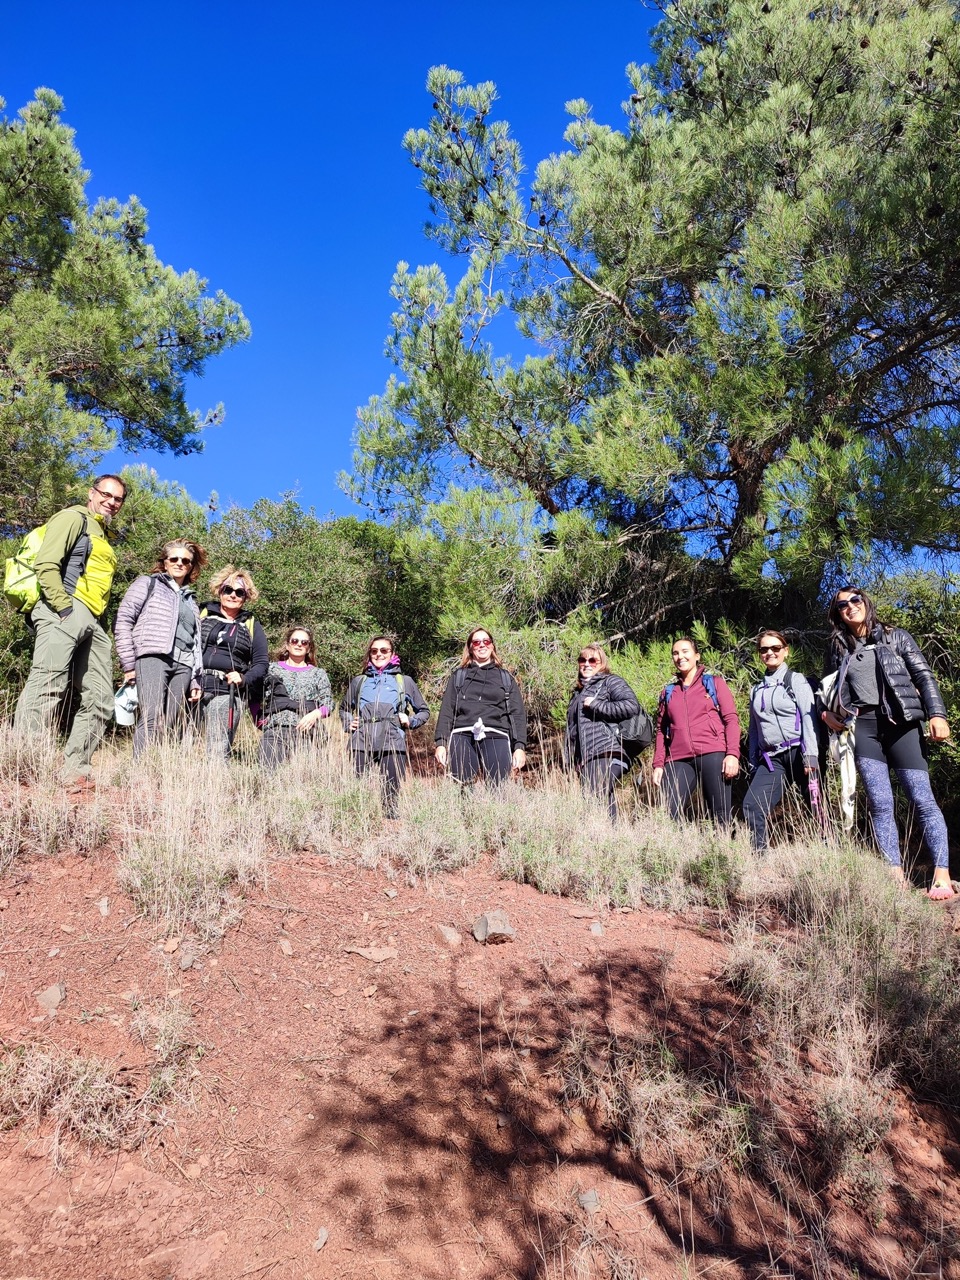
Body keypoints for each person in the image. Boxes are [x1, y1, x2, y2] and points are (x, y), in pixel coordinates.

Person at [821, 586, 954, 899]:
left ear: (865, 602)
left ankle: (942, 874)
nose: (850, 607)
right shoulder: (838, 647)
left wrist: (937, 714)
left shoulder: (897, 637)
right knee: (881, 804)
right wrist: (826, 713)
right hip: (864, 728)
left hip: (902, 723)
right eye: (842, 605)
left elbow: (924, 677)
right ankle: (894, 875)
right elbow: (825, 687)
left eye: (855, 600)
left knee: (922, 798)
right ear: (838, 614)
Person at [14, 474, 126, 790]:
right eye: (106, 494)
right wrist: (63, 608)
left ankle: (75, 769)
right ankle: (23, 763)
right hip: (64, 607)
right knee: (48, 682)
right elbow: (46, 564)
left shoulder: (103, 534)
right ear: (92, 493)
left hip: (93, 620)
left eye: (117, 499)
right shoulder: (72, 517)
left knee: (102, 698)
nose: (111, 502)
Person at [114, 540, 206, 757]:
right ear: (164, 563)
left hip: (184, 665)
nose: (180, 563)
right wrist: (128, 663)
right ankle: (140, 773)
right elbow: (124, 621)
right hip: (152, 658)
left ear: (191, 566)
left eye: (186, 560)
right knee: (151, 715)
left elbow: (195, 642)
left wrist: (195, 678)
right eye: (174, 558)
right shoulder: (148, 584)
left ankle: (160, 771)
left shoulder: (191, 600)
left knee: (171, 721)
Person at [742, 630, 820, 850]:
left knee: (816, 805)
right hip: (771, 758)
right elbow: (754, 728)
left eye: (776, 648)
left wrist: (811, 757)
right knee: (752, 805)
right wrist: (753, 761)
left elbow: (808, 717)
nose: (770, 653)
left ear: (785, 651)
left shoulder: (795, 680)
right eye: (764, 649)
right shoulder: (756, 689)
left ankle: (828, 851)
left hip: (800, 751)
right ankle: (760, 856)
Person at [652, 636, 741, 825]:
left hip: (712, 752)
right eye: (675, 653)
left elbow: (731, 719)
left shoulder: (714, 683)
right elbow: (661, 730)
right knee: (667, 811)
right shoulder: (669, 692)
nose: (680, 657)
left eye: (685, 652)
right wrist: (658, 764)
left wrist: (732, 754)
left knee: (719, 813)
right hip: (678, 758)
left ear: (697, 656)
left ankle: (722, 852)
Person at [341, 636, 429, 816]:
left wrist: (410, 721)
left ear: (392, 654)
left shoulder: (404, 681)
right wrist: (349, 722)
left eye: (383, 650)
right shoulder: (359, 681)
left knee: (390, 798)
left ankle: (390, 833)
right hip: (361, 739)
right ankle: (361, 823)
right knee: (359, 792)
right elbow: (343, 709)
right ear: (369, 654)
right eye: (374, 651)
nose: (378, 654)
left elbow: (424, 711)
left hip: (392, 739)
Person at [434, 626, 527, 785]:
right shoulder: (459, 676)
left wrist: (519, 747)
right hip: (462, 736)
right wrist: (440, 744)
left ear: (492, 646)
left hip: (497, 734)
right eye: (476, 642)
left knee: (498, 789)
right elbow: (447, 712)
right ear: (470, 648)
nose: (482, 645)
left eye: (486, 641)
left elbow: (517, 714)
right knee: (462, 788)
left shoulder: (505, 678)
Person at [197, 566, 268, 758]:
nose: (233, 595)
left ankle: (217, 784)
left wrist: (244, 678)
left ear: (246, 597)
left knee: (218, 749)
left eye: (240, 592)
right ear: (220, 590)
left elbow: (261, 663)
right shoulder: (201, 613)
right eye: (228, 589)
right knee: (185, 743)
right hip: (193, 685)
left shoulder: (251, 623)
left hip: (226, 691)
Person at [564, 643, 641, 820]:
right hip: (587, 758)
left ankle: (603, 838)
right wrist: (570, 760)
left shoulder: (610, 681)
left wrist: (597, 704)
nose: (587, 664)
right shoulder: (577, 693)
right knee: (601, 798)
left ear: (601, 663)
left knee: (596, 795)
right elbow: (573, 731)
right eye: (582, 660)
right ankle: (610, 838)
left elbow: (631, 706)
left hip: (607, 750)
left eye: (593, 660)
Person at [259, 627, 333, 768]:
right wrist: (259, 720)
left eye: (304, 642)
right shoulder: (270, 669)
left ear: (309, 648)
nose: (299, 644)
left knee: (303, 781)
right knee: (267, 776)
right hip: (275, 730)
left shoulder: (318, 674)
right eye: (295, 641)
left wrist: (315, 714)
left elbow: (328, 703)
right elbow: (254, 694)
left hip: (307, 733)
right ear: (287, 645)